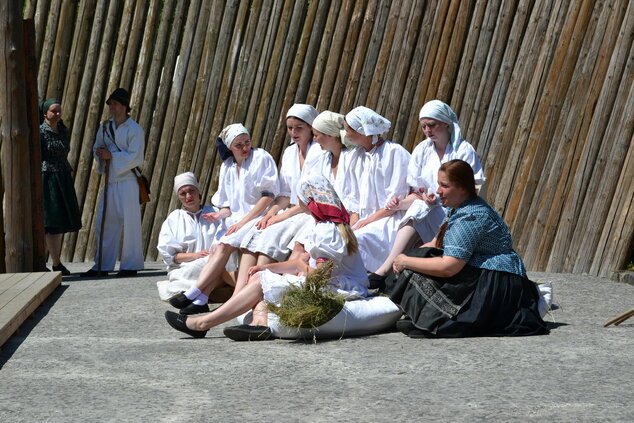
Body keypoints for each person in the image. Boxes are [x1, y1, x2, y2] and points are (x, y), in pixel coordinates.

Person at [164, 175, 369, 341]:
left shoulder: (327, 231)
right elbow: (307, 267)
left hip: (341, 287)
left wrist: (296, 265)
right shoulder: (324, 226)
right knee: (261, 276)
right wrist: (269, 268)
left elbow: (323, 278)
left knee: (263, 281)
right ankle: (259, 323)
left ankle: (202, 324)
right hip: (330, 282)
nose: (299, 203)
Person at [384, 159, 549, 338]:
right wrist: (410, 256)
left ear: (463, 188)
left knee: (413, 270)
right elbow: (435, 243)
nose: (438, 191)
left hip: (497, 280)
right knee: (417, 258)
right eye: (439, 184)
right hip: (479, 270)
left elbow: (449, 267)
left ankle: (433, 317)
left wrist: (406, 261)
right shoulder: (459, 208)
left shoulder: (471, 217)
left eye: (444, 186)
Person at [167, 123, 279, 315]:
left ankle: (195, 292)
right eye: (238, 145)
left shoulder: (260, 157)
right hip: (236, 221)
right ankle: (202, 297)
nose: (245, 148)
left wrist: (243, 222)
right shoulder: (227, 167)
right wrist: (219, 215)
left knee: (226, 245)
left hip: (259, 216)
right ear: (229, 147)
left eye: (247, 142)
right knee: (218, 247)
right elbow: (227, 205)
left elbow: (268, 195)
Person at [370, 100, 484, 282]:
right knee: (418, 207)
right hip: (429, 209)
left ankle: (386, 270)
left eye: (432, 125)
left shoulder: (463, 150)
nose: (428, 131)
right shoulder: (422, 150)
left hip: (457, 212)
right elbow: (417, 191)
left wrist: (440, 196)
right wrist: (402, 203)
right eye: (423, 126)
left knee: (420, 209)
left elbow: (471, 190)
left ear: (446, 123)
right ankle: (389, 268)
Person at [236, 104, 321, 294]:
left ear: (310, 127)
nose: (293, 132)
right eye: (290, 128)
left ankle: (260, 292)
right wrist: (271, 213)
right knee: (259, 230)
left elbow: (311, 199)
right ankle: (239, 292)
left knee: (270, 238)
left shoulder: (320, 152)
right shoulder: (290, 152)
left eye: (298, 127)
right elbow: (284, 193)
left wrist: (281, 217)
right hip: (292, 210)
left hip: (311, 213)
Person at [80, 88, 145, 278]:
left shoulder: (135, 129)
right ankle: (102, 264)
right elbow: (97, 147)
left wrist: (112, 156)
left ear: (124, 106)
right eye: (110, 104)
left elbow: (135, 157)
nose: (111, 107)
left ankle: (130, 265)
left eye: (115, 104)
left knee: (131, 223)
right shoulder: (105, 127)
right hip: (110, 181)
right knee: (105, 222)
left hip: (128, 180)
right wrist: (100, 154)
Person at [343, 106, 410, 273]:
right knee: (341, 237)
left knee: (359, 239)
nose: (346, 135)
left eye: (348, 130)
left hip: (388, 218)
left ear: (361, 131)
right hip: (365, 219)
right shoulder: (355, 156)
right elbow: (354, 201)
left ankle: (365, 279)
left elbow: (394, 202)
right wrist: (352, 224)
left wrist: (368, 221)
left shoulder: (394, 153)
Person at [156, 172, 235, 303]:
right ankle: (211, 288)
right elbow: (171, 257)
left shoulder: (215, 213)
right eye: (183, 193)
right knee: (191, 273)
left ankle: (194, 292)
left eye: (191, 191)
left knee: (216, 265)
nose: (188, 196)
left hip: (219, 264)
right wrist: (195, 256)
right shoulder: (174, 218)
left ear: (199, 193)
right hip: (188, 268)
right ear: (178, 197)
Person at [39, 98, 82, 275]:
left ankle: (57, 262)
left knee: (59, 222)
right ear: (45, 114)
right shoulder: (41, 132)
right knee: (49, 221)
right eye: (53, 111)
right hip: (48, 178)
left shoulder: (63, 129)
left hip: (63, 176)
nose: (57, 114)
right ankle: (44, 262)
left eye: (58, 111)